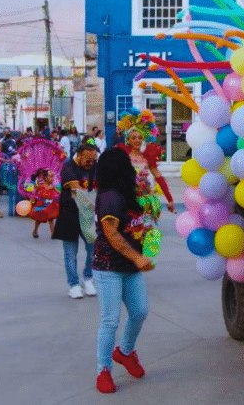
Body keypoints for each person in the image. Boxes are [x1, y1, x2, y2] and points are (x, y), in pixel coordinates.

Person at [92, 147, 154, 394]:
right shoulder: (109, 197)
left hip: (130, 267)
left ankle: (125, 352)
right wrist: (137, 257)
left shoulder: (128, 194)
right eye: (127, 164)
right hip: (109, 268)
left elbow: (141, 226)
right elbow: (111, 233)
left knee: (140, 312)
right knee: (110, 320)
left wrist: (150, 246)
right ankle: (103, 370)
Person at [53, 143, 99, 299]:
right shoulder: (68, 167)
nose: (91, 163)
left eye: (93, 160)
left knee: (93, 248)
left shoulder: (95, 167)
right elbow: (76, 188)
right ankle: (73, 284)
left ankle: (89, 278)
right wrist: (92, 198)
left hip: (88, 215)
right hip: (70, 213)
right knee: (70, 253)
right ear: (79, 155)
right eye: (88, 160)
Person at [116, 127, 176, 223]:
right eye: (134, 138)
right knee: (129, 232)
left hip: (145, 202)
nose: (137, 140)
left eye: (140, 138)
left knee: (144, 231)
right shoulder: (123, 156)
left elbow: (159, 178)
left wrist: (170, 199)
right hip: (127, 201)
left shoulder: (147, 157)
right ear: (128, 140)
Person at [29, 168, 60, 238]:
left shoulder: (53, 186)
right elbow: (34, 192)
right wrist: (32, 199)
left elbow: (59, 192)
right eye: (50, 176)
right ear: (45, 178)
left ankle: (53, 233)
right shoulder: (40, 185)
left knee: (51, 219)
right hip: (41, 204)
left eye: (52, 177)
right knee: (38, 219)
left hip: (50, 204)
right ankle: (35, 230)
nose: (52, 178)